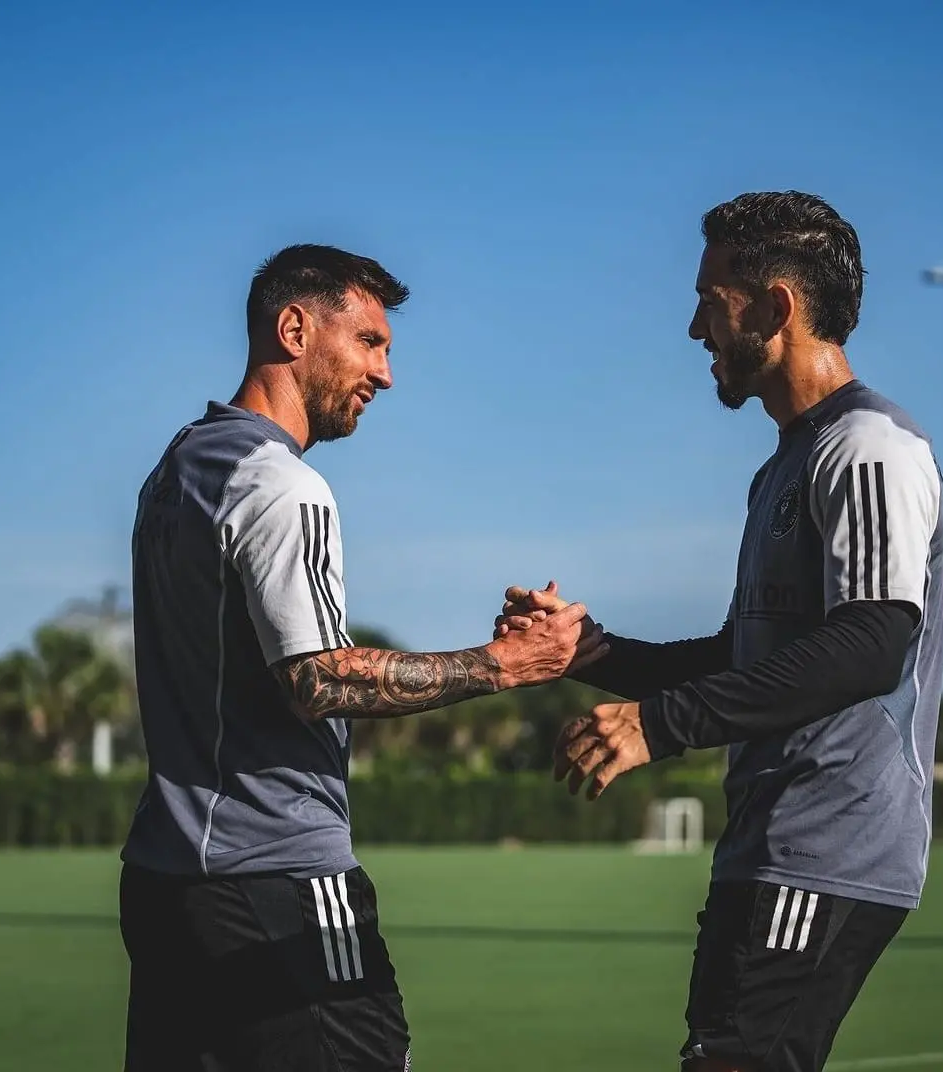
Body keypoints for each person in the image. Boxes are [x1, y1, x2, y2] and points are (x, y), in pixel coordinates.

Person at [119, 243, 608, 1072]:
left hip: (164, 881)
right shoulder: (280, 484)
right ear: (294, 330)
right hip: (276, 877)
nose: (384, 374)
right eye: (369, 342)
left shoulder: (178, 468)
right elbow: (317, 678)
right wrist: (507, 662)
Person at [498, 192, 943, 1072]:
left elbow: (871, 643)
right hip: (768, 847)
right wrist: (588, 655)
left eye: (710, 300)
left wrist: (659, 726)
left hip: (828, 845)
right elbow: (741, 656)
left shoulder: (868, 446)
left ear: (774, 306)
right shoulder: (786, 463)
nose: (695, 327)